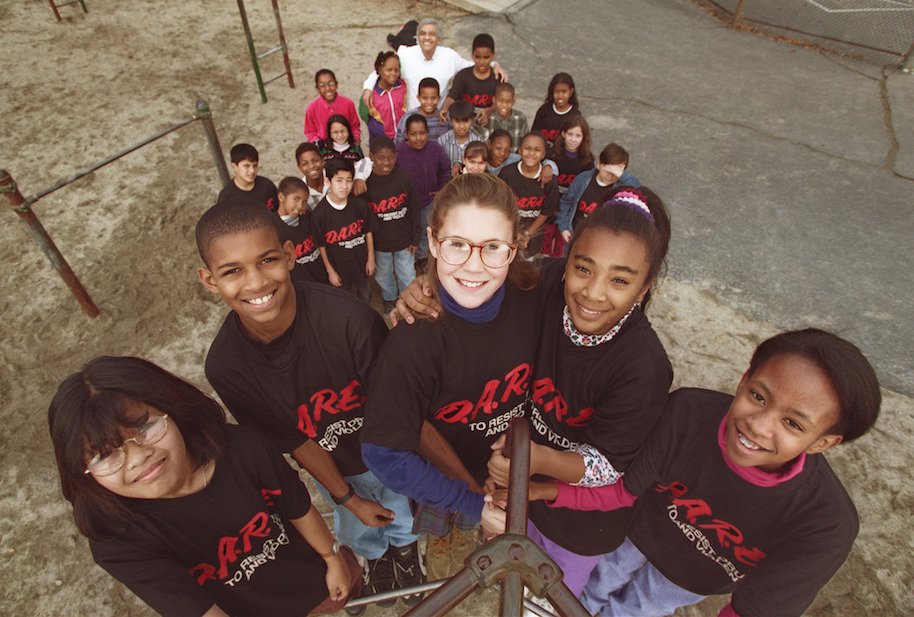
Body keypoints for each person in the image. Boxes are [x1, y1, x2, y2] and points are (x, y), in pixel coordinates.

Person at [487, 329, 880, 617]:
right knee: (591, 588)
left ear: (822, 443)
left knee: (639, 608)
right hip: (635, 535)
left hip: (693, 579)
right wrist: (546, 491)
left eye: (793, 424)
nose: (760, 426)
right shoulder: (689, 413)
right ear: (743, 380)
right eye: (758, 397)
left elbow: (754, 611)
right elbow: (622, 491)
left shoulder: (825, 524)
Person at [196, 198, 423, 610]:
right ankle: (376, 559)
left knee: (403, 516)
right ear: (210, 281)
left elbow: (397, 411)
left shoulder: (350, 320)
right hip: (331, 467)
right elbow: (294, 439)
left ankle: (407, 554)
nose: (255, 283)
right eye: (232, 271)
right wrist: (347, 497)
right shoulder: (226, 366)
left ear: (290, 254)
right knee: (357, 530)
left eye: (267, 260)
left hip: (391, 457)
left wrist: (397, 473)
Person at [48, 355, 358, 617]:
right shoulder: (117, 541)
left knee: (347, 587)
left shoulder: (244, 449)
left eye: (145, 427)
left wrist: (331, 557)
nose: (138, 458)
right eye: (105, 454)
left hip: (313, 573)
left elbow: (297, 505)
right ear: (81, 471)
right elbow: (195, 609)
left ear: (173, 409)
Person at [485, 189, 673, 596]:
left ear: (644, 288)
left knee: (548, 592)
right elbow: (485, 284)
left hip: (579, 524)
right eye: (584, 269)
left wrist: (538, 458)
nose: (592, 293)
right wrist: (429, 290)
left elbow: (607, 466)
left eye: (620, 280)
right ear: (567, 260)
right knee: (508, 574)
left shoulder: (643, 367)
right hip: (519, 485)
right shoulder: (548, 281)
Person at [360, 173, 541, 580]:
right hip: (440, 481)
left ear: (515, 248)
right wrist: (474, 504)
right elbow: (384, 452)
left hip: (509, 468)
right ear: (432, 241)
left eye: (493, 247)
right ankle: (443, 569)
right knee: (443, 531)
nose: (474, 266)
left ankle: (465, 542)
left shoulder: (535, 299)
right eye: (457, 245)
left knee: (472, 532)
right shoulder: (412, 342)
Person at [361, 18, 506, 111]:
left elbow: (471, 65)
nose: (427, 38)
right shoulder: (405, 54)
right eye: (423, 34)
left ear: (438, 38)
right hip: (413, 116)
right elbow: (382, 69)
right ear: (417, 38)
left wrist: (494, 65)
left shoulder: (449, 56)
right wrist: (368, 87)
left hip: (438, 118)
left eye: (432, 34)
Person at [362, 135, 421, 313]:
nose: (386, 163)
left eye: (390, 158)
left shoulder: (404, 178)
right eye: (381, 158)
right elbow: (363, 219)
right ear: (371, 157)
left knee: (407, 273)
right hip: (380, 243)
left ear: (396, 157)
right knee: (384, 274)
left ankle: (408, 298)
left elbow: (414, 209)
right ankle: (390, 298)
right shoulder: (366, 183)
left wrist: (415, 238)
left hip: (404, 240)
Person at [312, 158, 377, 303]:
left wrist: (371, 259)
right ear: (328, 181)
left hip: (360, 263)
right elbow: (321, 245)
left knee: (365, 295)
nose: (345, 186)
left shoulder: (359, 205)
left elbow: (368, 231)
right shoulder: (319, 214)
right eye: (339, 180)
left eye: (349, 180)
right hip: (339, 268)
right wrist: (330, 271)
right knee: (345, 300)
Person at [557, 143, 641, 244]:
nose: (610, 176)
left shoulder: (622, 188)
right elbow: (566, 202)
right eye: (607, 170)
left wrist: (622, 174)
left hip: (602, 243)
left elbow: (638, 191)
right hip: (575, 236)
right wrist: (564, 227)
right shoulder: (583, 179)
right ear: (599, 164)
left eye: (615, 173)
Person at [395, 114, 451, 262]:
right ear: (407, 135)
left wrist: (441, 188)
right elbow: (393, 174)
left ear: (428, 133)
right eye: (413, 134)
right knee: (411, 230)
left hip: (429, 200)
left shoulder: (436, 149)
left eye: (422, 133)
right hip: (407, 203)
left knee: (427, 229)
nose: (418, 138)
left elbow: (445, 169)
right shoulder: (399, 151)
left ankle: (423, 257)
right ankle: (411, 259)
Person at [498, 132, 559, 258]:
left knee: (528, 265)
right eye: (527, 148)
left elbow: (546, 212)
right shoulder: (507, 173)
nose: (531, 153)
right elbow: (501, 206)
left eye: (537, 150)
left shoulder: (549, 180)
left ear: (543, 154)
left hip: (534, 235)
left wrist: (526, 234)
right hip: (508, 230)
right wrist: (514, 233)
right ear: (520, 150)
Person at [543, 115, 595, 256]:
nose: (573, 139)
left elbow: (584, 189)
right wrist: (547, 164)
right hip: (549, 202)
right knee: (545, 241)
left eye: (578, 135)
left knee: (561, 244)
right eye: (570, 134)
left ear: (584, 138)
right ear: (563, 133)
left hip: (568, 207)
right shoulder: (551, 154)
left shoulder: (587, 160)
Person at [276, 176, 329, 285]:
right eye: (296, 199)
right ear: (281, 197)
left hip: (324, 278)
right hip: (302, 286)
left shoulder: (307, 216)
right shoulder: (273, 228)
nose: (300, 206)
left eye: (304, 201)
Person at [439, 33, 498, 127]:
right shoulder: (463, 75)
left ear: (493, 55)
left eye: (486, 57)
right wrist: (445, 107)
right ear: (472, 55)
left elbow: (500, 103)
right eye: (477, 57)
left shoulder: (497, 78)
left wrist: (489, 111)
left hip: (489, 125)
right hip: (464, 125)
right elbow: (452, 96)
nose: (481, 62)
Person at [304, 69, 361, 143]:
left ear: (336, 84)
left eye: (331, 83)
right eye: (322, 85)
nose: (327, 88)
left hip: (345, 142)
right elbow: (310, 132)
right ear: (317, 88)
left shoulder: (348, 103)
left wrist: (355, 139)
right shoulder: (312, 108)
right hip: (323, 145)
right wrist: (317, 143)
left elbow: (355, 126)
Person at [217, 143, 278, 211]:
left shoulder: (267, 185)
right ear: (234, 167)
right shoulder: (226, 197)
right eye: (246, 166)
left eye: (254, 166)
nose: (252, 171)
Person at [532, 73, 583, 149]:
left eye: (564, 91)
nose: (560, 96)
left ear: (571, 92)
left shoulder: (575, 115)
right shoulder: (544, 110)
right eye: (556, 92)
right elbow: (534, 134)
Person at [395, 77, 451, 143]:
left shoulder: (444, 118)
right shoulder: (408, 117)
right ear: (418, 98)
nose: (429, 102)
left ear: (438, 98)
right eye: (425, 98)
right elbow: (399, 143)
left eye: (433, 98)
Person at [366, 52, 406, 140]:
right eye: (389, 70)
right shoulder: (371, 95)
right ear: (380, 70)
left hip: (403, 139)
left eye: (396, 70)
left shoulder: (403, 87)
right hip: (381, 142)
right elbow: (365, 117)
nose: (393, 73)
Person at [437, 100, 487, 166]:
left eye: (466, 121)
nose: (462, 126)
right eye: (457, 121)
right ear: (451, 121)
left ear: (472, 121)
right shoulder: (442, 141)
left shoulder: (478, 142)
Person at [484, 82, 529, 148]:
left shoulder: (520, 118)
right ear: (494, 100)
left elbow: (525, 141)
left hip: (514, 157)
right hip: (492, 157)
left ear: (513, 102)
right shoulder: (488, 118)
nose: (504, 105)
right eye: (500, 100)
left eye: (508, 101)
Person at [295, 141, 330, 211]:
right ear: (299, 168)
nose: (311, 166)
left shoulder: (334, 177)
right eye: (305, 164)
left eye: (315, 160)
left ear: (323, 161)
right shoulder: (300, 191)